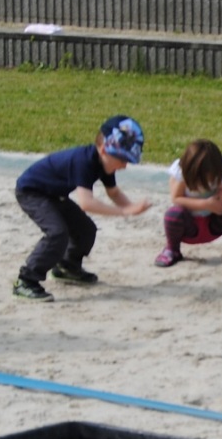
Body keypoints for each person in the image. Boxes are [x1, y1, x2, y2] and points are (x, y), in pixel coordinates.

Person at [13, 115, 152, 302]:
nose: (124, 166)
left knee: (85, 230)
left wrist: (133, 207)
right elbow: (87, 203)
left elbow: (113, 193)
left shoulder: (105, 164)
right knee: (57, 233)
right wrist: (124, 211)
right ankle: (26, 281)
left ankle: (67, 267)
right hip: (32, 192)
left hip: (54, 194)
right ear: (104, 149)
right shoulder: (83, 161)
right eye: (122, 159)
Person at [154, 138, 222, 267]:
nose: (207, 186)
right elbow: (176, 198)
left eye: (212, 180)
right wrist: (206, 204)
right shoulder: (182, 174)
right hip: (190, 227)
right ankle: (172, 249)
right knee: (173, 214)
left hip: (214, 223)